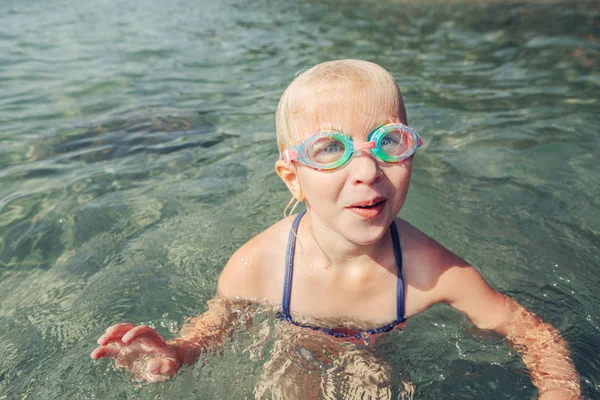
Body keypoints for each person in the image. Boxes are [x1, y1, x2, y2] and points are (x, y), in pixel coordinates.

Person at [91, 59, 581, 399]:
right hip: (293, 351)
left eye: (388, 142)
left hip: (385, 357)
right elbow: (214, 332)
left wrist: (560, 389)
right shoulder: (258, 265)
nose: (367, 169)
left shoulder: (433, 270)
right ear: (293, 178)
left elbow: (532, 334)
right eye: (331, 149)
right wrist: (174, 354)